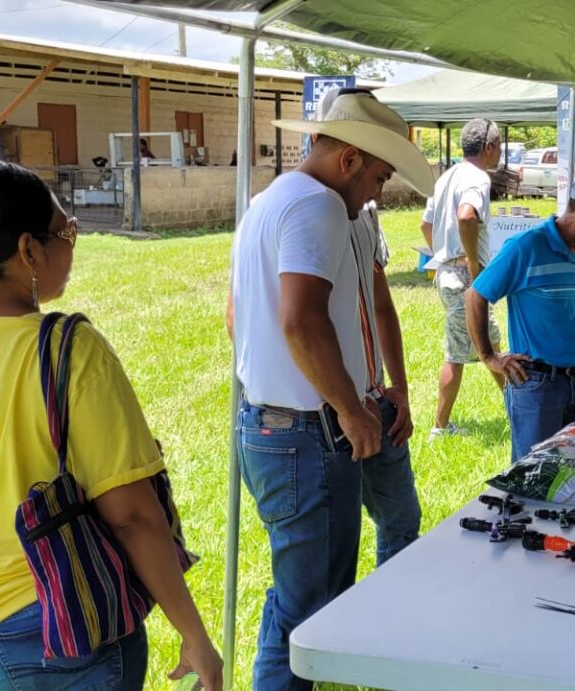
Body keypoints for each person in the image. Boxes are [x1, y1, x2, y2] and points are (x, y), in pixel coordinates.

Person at [0, 133, 222, 691]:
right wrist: (196, 635)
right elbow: (131, 515)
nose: (73, 245)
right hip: (55, 636)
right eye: (68, 233)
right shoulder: (69, 349)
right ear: (28, 251)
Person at [231, 91, 433, 690]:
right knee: (307, 609)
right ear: (348, 160)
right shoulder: (317, 206)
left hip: (276, 425)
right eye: (377, 175)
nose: (376, 192)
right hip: (304, 434)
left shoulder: (269, 202)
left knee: (303, 596)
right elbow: (301, 318)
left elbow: (239, 314)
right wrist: (349, 408)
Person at [465, 172, 575, 462]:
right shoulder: (527, 247)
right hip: (536, 384)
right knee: (535, 474)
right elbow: (475, 295)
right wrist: (489, 357)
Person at [420, 118, 506, 438]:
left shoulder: (447, 177)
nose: (500, 153)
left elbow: (425, 225)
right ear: (488, 147)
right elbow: (466, 216)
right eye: (498, 147)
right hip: (464, 277)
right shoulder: (477, 178)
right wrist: (471, 264)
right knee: (463, 353)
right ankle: (440, 428)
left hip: (447, 273)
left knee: (488, 344)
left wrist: (442, 254)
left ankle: (516, 408)